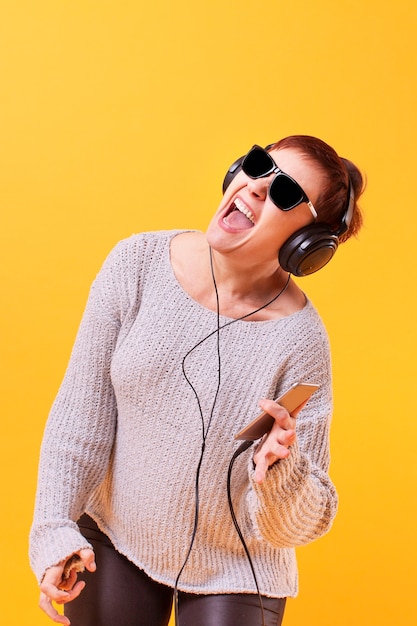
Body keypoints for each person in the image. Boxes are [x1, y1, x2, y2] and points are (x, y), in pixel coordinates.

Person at [29, 135, 364, 626]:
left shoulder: (303, 342)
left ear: (305, 243)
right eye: (257, 166)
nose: (254, 188)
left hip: (238, 565)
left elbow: (307, 522)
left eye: (285, 192)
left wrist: (280, 473)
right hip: (117, 535)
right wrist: (55, 530)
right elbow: (81, 417)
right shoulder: (136, 265)